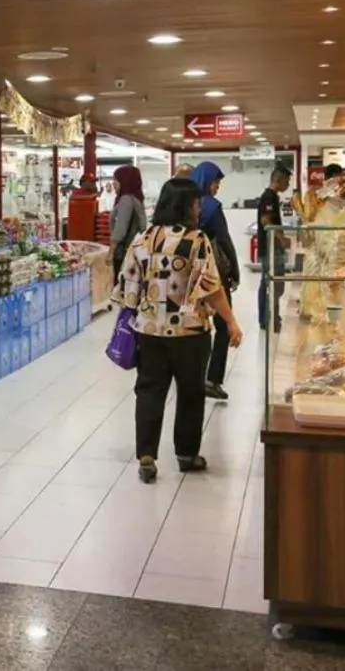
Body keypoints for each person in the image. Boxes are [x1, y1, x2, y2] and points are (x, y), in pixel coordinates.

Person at [113, 177, 243, 484]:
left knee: (149, 391)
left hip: (149, 330)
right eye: (196, 203)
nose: (199, 208)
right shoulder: (196, 240)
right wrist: (230, 320)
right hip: (190, 331)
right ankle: (186, 455)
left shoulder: (144, 238)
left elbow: (128, 286)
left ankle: (147, 455)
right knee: (190, 392)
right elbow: (211, 287)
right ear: (186, 205)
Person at [190, 162, 240, 400]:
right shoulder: (212, 207)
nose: (217, 188)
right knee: (222, 325)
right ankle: (212, 379)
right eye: (216, 183)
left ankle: (191, 377)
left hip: (188, 273)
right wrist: (235, 271)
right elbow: (225, 240)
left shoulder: (188, 205)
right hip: (213, 274)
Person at [257, 164, 293, 331]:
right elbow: (266, 220)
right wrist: (281, 238)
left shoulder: (273, 197)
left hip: (273, 249)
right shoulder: (268, 197)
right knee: (271, 284)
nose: (288, 184)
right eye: (287, 180)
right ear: (278, 179)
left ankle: (270, 318)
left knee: (272, 285)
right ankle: (268, 319)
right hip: (270, 250)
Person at [109, 165, 145, 285]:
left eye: (115, 179)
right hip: (135, 250)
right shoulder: (137, 199)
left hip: (123, 252)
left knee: (120, 285)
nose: (113, 183)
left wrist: (110, 252)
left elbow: (120, 230)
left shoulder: (125, 200)